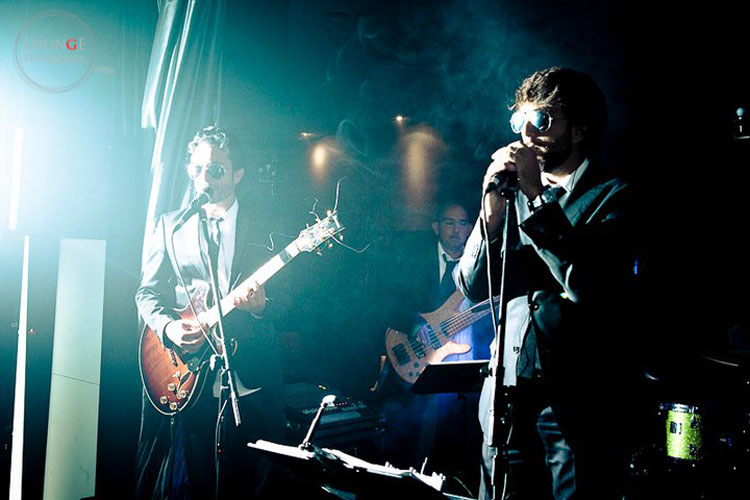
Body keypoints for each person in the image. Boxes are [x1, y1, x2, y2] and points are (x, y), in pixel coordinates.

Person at [456, 67, 636, 499]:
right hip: (507, 391)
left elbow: (588, 285)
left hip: (578, 399)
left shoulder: (614, 195)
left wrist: (537, 197)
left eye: (542, 120)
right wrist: (491, 216)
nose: (527, 133)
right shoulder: (512, 195)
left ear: (580, 129)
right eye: (520, 121)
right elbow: (471, 285)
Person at [135, 125, 287, 499]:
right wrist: (168, 328)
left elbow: (293, 298)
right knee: (200, 484)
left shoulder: (266, 227)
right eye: (197, 168)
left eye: (216, 170)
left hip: (252, 376)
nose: (204, 178)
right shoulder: (171, 225)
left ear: (237, 175)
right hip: (192, 375)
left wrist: (262, 306)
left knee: (256, 486)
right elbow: (146, 293)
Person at [374, 199, 491, 486]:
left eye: (463, 223)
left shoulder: (482, 265)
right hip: (413, 361)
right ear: (436, 227)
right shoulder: (411, 260)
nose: (457, 230)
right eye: (449, 222)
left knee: (456, 447)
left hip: (463, 369)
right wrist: (417, 326)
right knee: (407, 443)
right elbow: (385, 301)